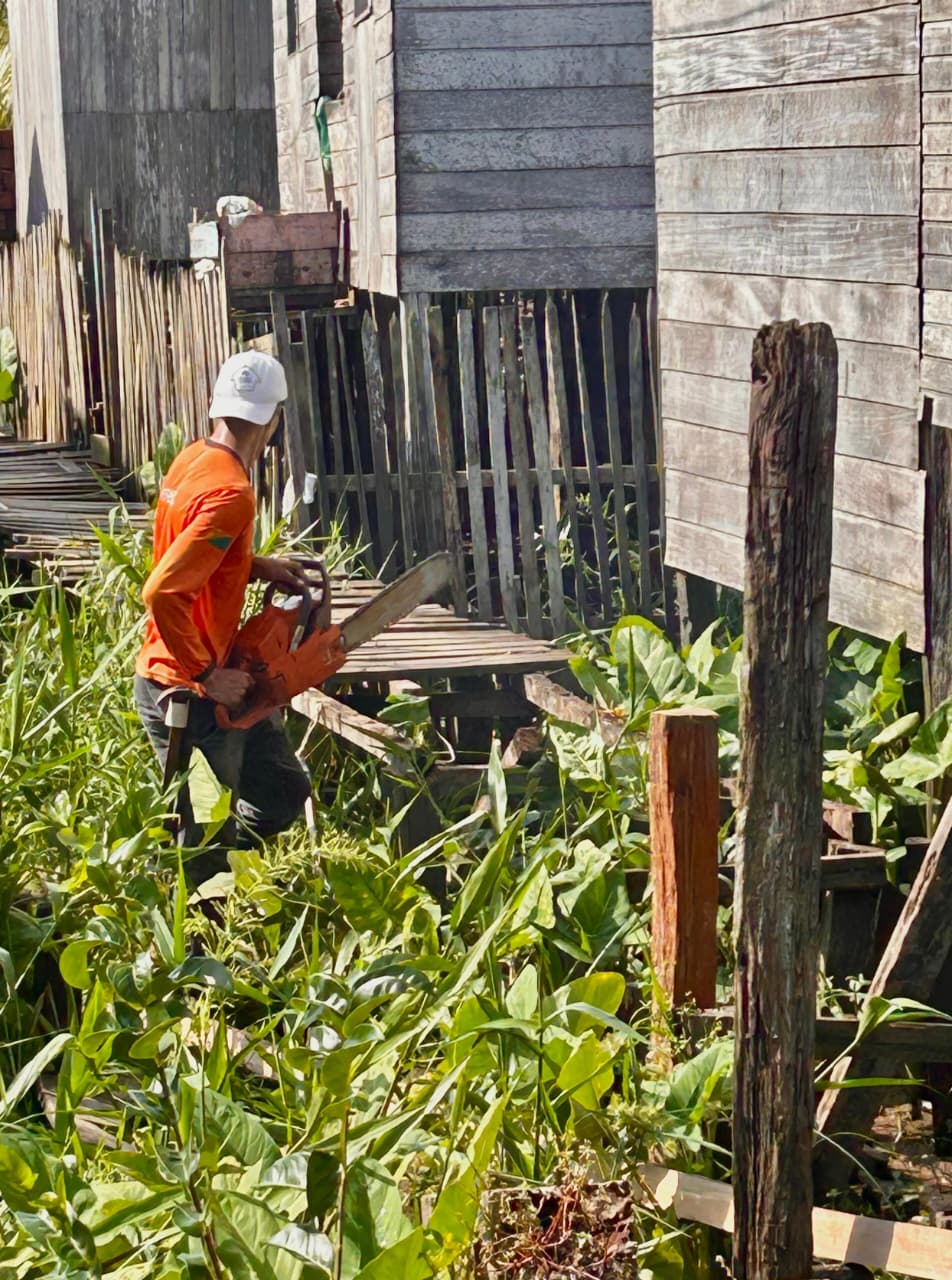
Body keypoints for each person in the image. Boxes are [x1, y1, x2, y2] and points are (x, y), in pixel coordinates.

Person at [134, 350, 314, 883]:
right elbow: (163, 590)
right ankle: (201, 930)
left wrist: (252, 564)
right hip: (189, 690)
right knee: (206, 838)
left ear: (218, 406)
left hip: (202, 673)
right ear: (274, 418)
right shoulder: (232, 493)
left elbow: (186, 552)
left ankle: (233, 877)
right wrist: (206, 675)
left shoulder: (192, 460)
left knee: (283, 788)